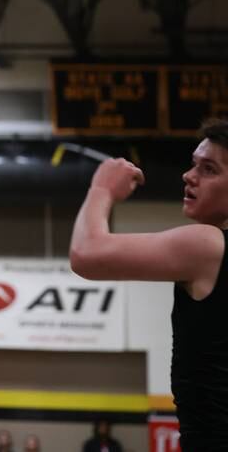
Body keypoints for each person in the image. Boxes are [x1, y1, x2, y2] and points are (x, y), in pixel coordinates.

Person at [69, 118, 228, 450]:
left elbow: (86, 254)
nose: (189, 175)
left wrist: (101, 189)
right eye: (194, 164)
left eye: (209, 169)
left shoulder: (207, 245)